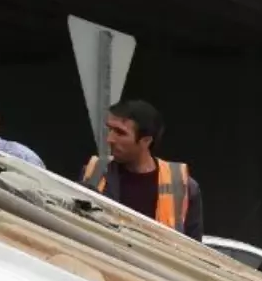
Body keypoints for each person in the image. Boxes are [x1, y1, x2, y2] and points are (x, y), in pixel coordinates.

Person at [81, 99, 202, 239]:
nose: (110, 139)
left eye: (120, 133)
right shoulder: (94, 173)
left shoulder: (184, 187)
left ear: (146, 141)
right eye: (110, 129)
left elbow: (194, 249)